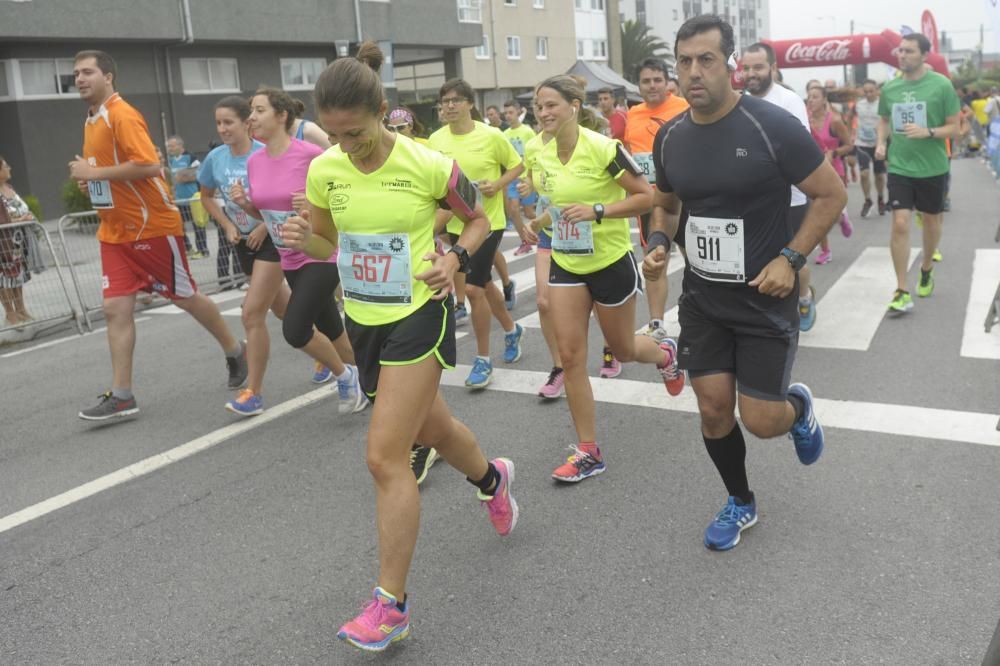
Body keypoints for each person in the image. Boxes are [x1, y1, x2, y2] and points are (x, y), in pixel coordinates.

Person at [283, 42, 519, 652]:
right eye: (335, 135)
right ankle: (492, 480)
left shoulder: (429, 163)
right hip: (364, 319)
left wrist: (455, 259)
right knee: (433, 429)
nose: (347, 146)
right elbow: (327, 246)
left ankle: (391, 606)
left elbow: (479, 220)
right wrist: (302, 235)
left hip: (421, 310)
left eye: (356, 133)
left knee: (384, 456)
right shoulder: (325, 169)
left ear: (383, 110)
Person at [648, 15, 843, 550]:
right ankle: (740, 501)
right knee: (712, 408)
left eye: (706, 60)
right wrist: (659, 243)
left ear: (730, 65)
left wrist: (790, 258)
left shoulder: (771, 126)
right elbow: (665, 207)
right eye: (684, 61)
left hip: (764, 297)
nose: (693, 72)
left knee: (760, 420)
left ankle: (797, 409)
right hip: (705, 299)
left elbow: (831, 195)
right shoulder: (671, 137)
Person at [522, 74, 684, 483]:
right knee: (573, 357)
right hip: (566, 263)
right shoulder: (538, 153)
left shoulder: (604, 149)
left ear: (574, 106)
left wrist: (597, 210)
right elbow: (555, 204)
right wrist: (538, 222)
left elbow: (646, 197)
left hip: (609, 261)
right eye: (539, 106)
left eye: (551, 105)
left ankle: (665, 355)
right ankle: (588, 452)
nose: (543, 113)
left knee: (624, 349)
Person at [70, 50, 247, 420]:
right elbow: (110, 171)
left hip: (150, 227)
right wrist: (94, 184)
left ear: (109, 77)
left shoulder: (122, 114)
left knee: (185, 297)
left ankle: (234, 350)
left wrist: (96, 174)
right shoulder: (91, 120)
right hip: (114, 232)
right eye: (76, 73)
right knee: (114, 309)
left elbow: (150, 164)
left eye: (88, 72)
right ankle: (122, 395)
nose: (80, 79)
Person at [229, 86, 365, 416]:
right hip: (287, 256)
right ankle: (372, 380)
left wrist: (316, 203)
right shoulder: (255, 162)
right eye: (251, 110)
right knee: (333, 330)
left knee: (295, 329)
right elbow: (267, 214)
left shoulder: (310, 155)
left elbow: (348, 190)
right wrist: (246, 204)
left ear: (282, 115)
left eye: (259, 110)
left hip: (321, 252)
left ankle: (346, 378)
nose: (252, 117)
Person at [429, 79, 525, 389]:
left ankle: (483, 360)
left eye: (457, 100)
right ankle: (511, 330)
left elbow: (517, 166)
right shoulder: (435, 139)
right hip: (457, 225)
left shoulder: (492, 136)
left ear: (470, 103)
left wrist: (497, 185)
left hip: (489, 222)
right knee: (482, 283)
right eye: (445, 101)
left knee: (471, 290)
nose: (450, 106)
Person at [876, 33, 962, 314]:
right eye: (900, 51)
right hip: (900, 166)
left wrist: (929, 132)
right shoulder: (890, 88)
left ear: (925, 55)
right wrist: (880, 142)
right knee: (900, 223)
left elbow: (955, 127)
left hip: (933, 167)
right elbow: (885, 119)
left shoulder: (941, 86)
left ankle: (926, 267)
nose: (902, 55)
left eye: (909, 51)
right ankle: (901, 289)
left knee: (931, 221)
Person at [742, 42, 819, 332]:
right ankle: (767, 314)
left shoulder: (789, 101)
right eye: (746, 67)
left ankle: (805, 296)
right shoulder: (738, 101)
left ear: (772, 68)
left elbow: (799, 152)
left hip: (791, 198)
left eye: (758, 67)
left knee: (792, 257)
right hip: (753, 199)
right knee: (760, 257)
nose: (751, 73)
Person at [624, 57, 690, 344]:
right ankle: (656, 322)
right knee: (654, 261)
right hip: (652, 201)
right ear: (638, 86)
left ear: (667, 82)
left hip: (685, 196)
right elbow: (627, 153)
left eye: (657, 80)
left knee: (694, 259)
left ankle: (697, 313)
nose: (652, 86)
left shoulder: (684, 107)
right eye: (646, 81)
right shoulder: (632, 114)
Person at [806, 86, 854, 265]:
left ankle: (840, 217)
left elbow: (849, 145)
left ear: (824, 99)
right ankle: (825, 250)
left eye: (815, 97)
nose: (811, 100)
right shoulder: (805, 119)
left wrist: (833, 152)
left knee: (830, 211)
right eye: (809, 96)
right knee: (816, 211)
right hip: (812, 171)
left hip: (834, 170)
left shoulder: (834, 120)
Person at [0, 156, 36, 326]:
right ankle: (10, 314)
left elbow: (20, 208)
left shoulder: (9, 188)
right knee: (4, 278)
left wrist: (27, 217)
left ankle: (21, 309)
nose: (9, 168)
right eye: (6, 166)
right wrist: (21, 220)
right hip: (3, 241)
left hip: (17, 240)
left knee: (18, 274)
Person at [502, 99, 538, 257]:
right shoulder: (504, 134)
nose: (508, 116)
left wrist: (532, 176)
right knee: (513, 210)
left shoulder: (527, 131)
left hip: (526, 178)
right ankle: (525, 242)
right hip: (512, 178)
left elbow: (535, 152)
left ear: (518, 112)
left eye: (511, 112)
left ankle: (549, 231)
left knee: (530, 213)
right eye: (506, 113)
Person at [166, 135, 209, 258]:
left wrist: (185, 176)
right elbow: (174, 178)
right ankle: (188, 247)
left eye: (172, 146)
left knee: (198, 225)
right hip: (179, 199)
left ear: (180, 145)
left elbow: (200, 172)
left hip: (192, 198)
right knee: (178, 225)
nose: (170, 148)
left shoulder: (191, 157)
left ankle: (203, 250)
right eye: (169, 146)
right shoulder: (171, 160)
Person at [854, 79, 888, 217]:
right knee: (864, 174)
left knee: (879, 175)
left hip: (878, 144)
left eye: (871, 91)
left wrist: (884, 140)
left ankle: (880, 198)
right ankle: (867, 200)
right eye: (866, 91)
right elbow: (850, 117)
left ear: (876, 91)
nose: (868, 94)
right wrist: (852, 131)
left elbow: (887, 122)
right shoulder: (858, 105)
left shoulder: (882, 104)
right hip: (862, 143)